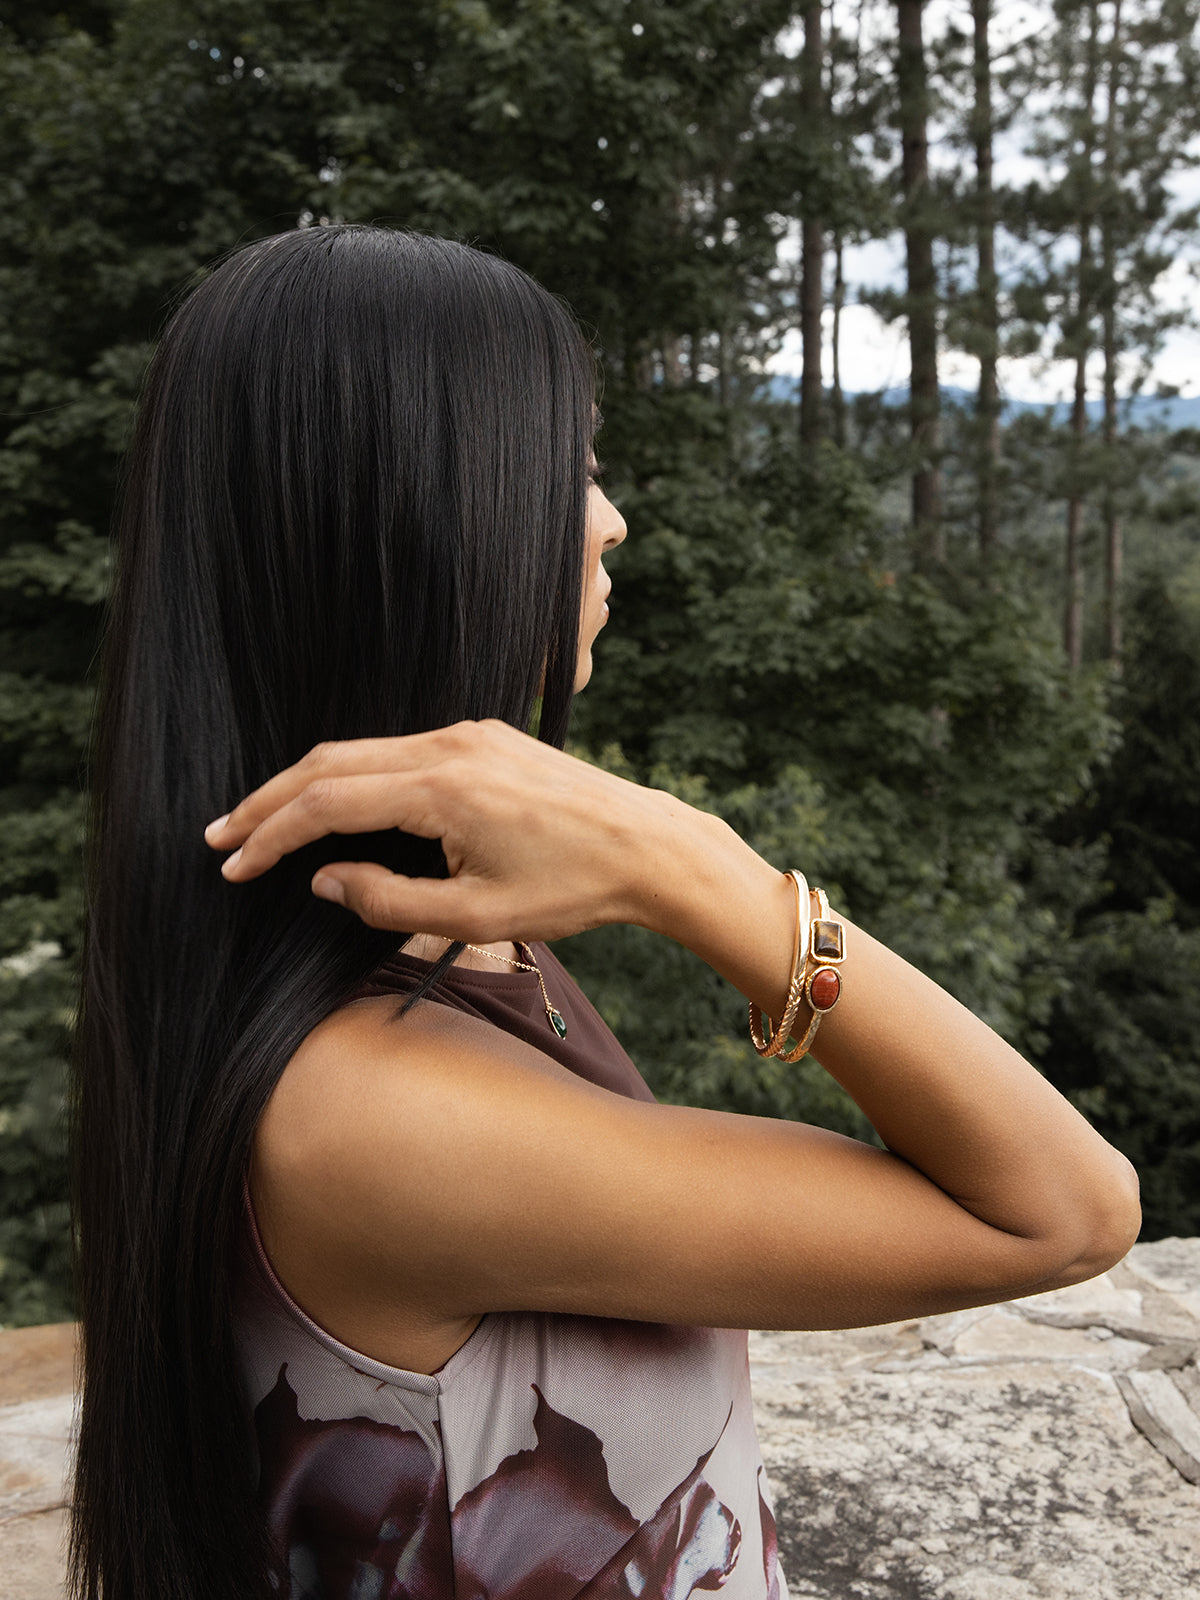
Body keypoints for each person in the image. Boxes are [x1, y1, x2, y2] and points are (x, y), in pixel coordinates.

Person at [70, 224, 1140, 1600]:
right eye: (568, 467)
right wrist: (692, 865)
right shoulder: (373, 1109)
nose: (610, 516)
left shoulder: (406, 938)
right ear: (408, 519)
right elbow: (1064, 1211)